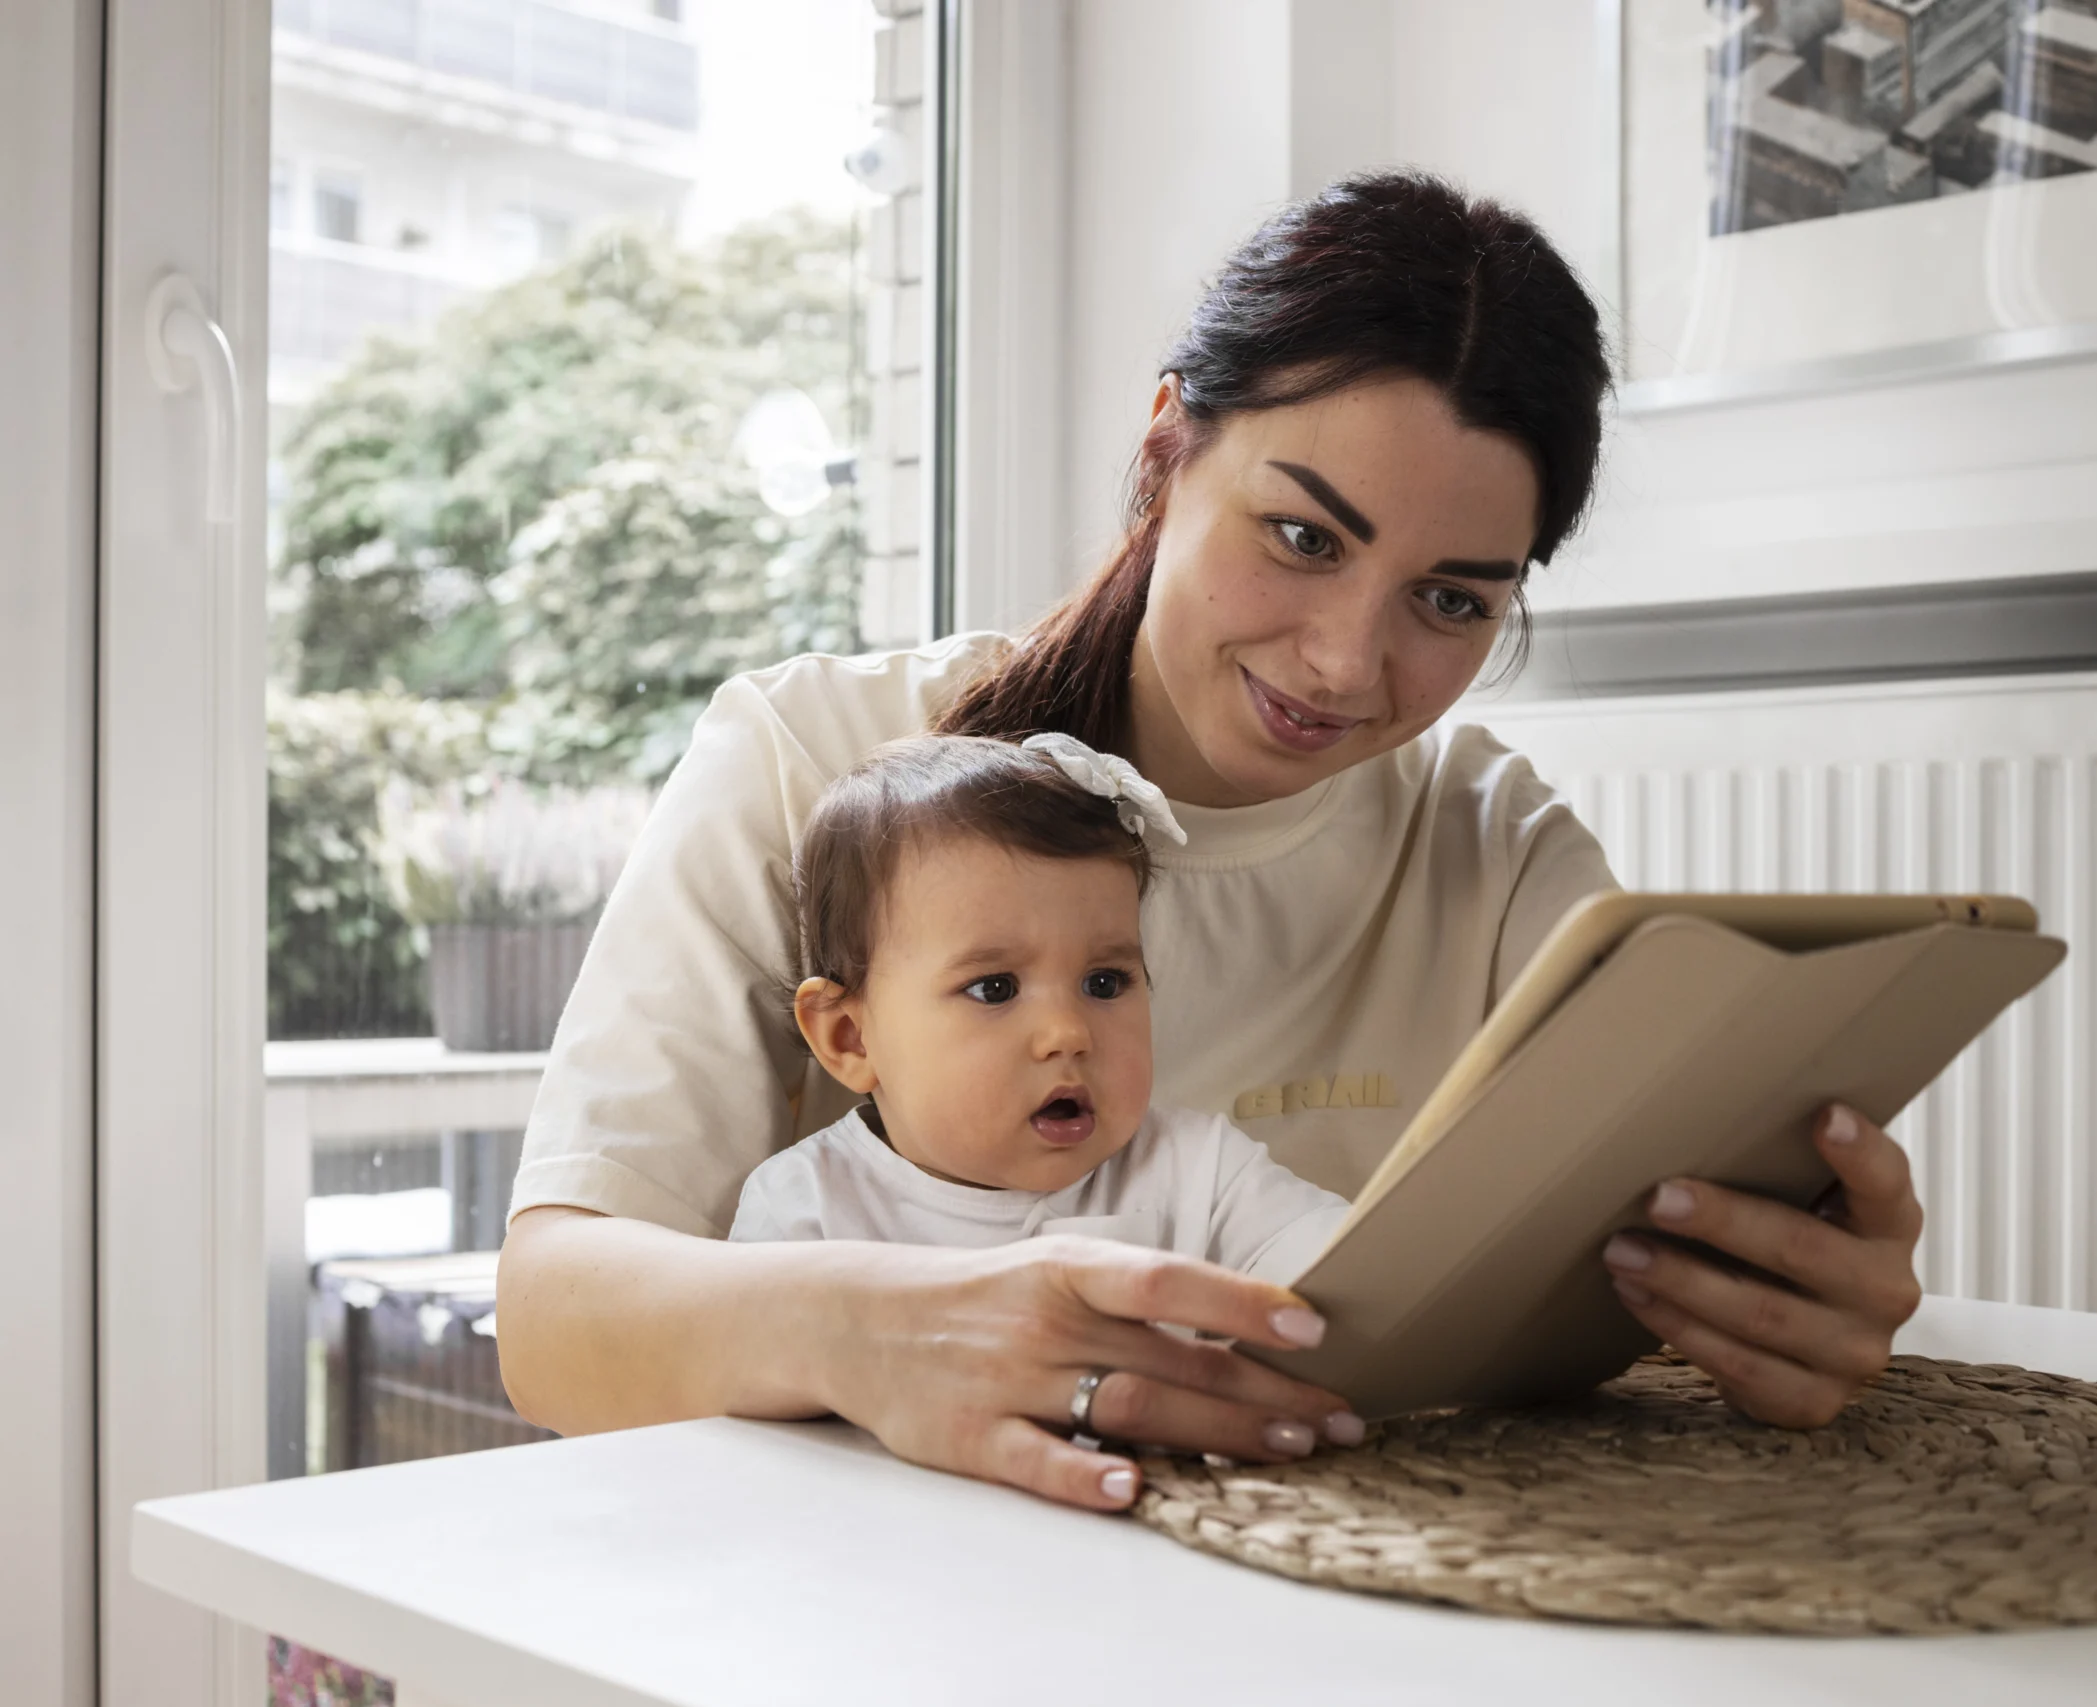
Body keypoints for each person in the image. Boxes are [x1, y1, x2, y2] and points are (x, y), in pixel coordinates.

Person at [497, 170, 1927, 1513]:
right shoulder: (815, 758)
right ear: (1167, 446)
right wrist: (874, 1331)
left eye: (1449, 601)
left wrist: (1790, 1298)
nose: (1343, 662)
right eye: (1305, 538)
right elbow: (556, 1319)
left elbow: (1592, 1306)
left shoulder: (1490, 850)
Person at [727, 731, 1349, 1303]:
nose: (1068, 1033)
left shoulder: (1199, 1172)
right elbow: (752, 1406)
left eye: (1104, 982)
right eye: (994, 989)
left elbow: (1352, 1277)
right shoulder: (804, 1213)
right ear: (851, 1038)